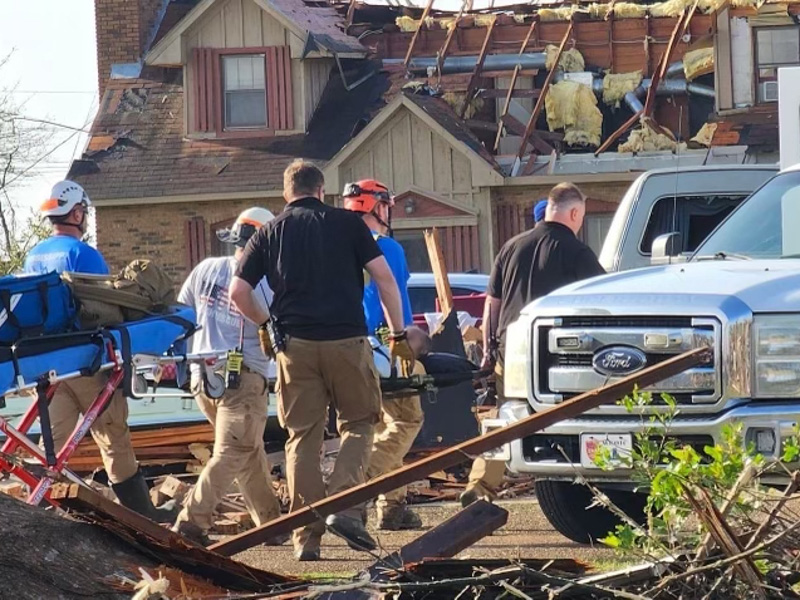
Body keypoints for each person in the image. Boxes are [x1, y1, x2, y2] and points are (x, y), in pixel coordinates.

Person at [230, 160, 414, 562]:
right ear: (321, 190)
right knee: (360, 424)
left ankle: (306, 540)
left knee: (302, 438)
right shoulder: (349, 225)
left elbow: (238, 293)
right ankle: (346, 508)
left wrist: (266, 324)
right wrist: (399, 333)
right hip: (347, 341)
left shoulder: (270, 232)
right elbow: (384, 278)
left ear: (286, 193)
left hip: (294, 347)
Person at [24, 180, 174, 522]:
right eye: (84, 212)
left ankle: (33, 514)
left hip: (47, 365)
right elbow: (104, 308)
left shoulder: (35, 255)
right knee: (113, 437)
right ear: (76, 212)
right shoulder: (83, 255)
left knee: (48, 445)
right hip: (86, 362)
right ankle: (143, 517)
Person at [460, 182, 605, 507]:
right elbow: (600, 301)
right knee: (573, 418)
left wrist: (488, 348)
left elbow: (491, 304)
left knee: (505, 417)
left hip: (510, 352)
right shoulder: (577, 252)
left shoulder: (511, 247)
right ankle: (582, 492)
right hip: (559, 357)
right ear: (574, 212)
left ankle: (480, 486)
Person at [172, 207, 285, 546]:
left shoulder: (205, 268)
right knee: (233, 451)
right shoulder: (263, 282)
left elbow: (181, 313)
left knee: (247, 450)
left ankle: (272, 526)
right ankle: (191, 523)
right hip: (242, 378)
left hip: (202, 377)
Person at [342, 179, 423, 532]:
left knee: (375, 428)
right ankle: (356, 489)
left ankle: (392, 507)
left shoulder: (336, 248)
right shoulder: (387, 248)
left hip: (347, 350)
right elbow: (396, 301)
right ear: (377, 207)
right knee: (406, 421)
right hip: (387, 348)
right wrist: (406, 337)